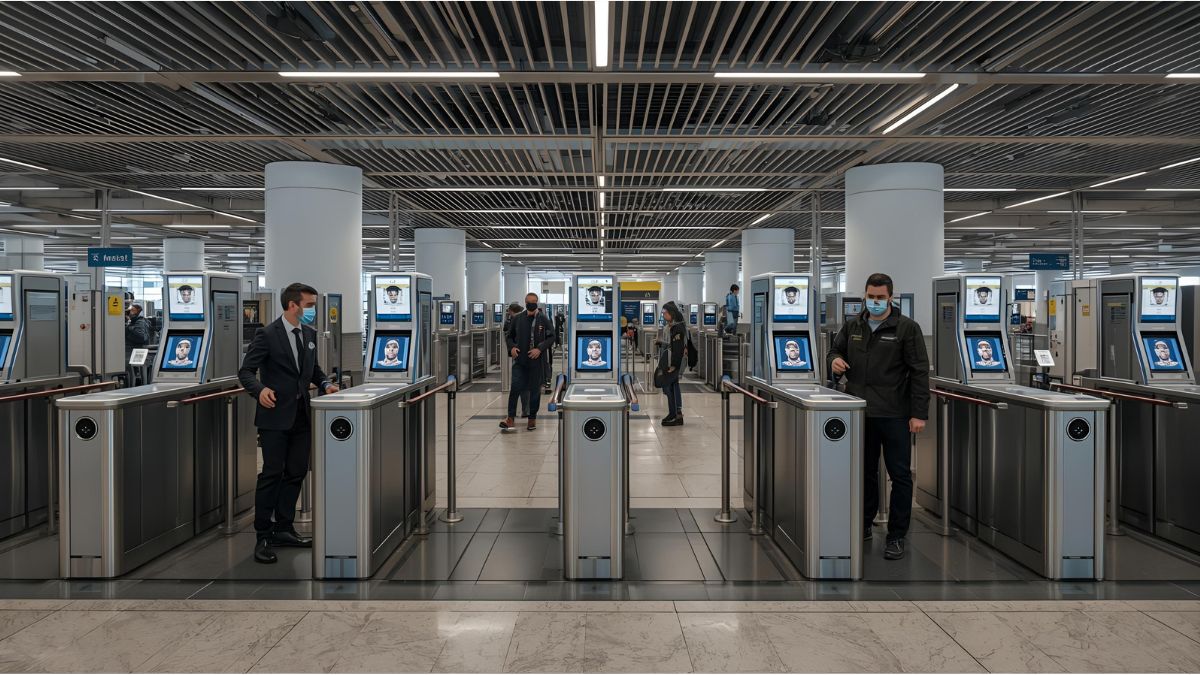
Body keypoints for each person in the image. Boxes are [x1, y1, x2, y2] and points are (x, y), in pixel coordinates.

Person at [828, 272, 929, 561]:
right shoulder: (853, 325)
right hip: (860, 412)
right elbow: (835, 350)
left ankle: (896, 535)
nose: (874, 302)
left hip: (896, 414)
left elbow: (919, 372)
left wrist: (918, 413)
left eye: (880, 298)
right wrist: (832, 360)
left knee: (899, 475)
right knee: (864, 472)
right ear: (864, 295)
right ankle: (864, 524)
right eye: (870, 297)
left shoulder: (907, 328)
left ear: (890, 298)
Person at [238, 282, 340, 565]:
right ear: (292, 305)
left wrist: (325, 383)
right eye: (309, 305)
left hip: (301, 415)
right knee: (272, 473)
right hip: (274, 417)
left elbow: (314, 369)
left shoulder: (308, 333)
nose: (312, 311)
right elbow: (246, 371)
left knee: (296, 472)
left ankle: (284, 527)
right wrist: (259, 390)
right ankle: (263, 535)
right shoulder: (267, 335)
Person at [501, 292, 554, 431]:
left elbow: (552, 337)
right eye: (529, 301)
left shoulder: (543, 319)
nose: (531, 303)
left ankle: (532, 418)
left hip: (536, 361)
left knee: (535, 390)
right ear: (525, 303)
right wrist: (511, 347)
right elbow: (509, 336)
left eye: (534, 301)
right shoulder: (517, 319)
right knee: (515, 388)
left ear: (537, 302)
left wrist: (540, 349)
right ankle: (510, 418)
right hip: (520, 360)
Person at [658, 302, 686, 426]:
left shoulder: (678, 328)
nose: (663, 315)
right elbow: (671, 345)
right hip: (670, 361)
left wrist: (674, 366)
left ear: (672, 314)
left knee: (671, 387)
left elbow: (678, 348)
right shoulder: (671, 326)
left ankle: (676, 415)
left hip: (675, 363)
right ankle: (673, 413)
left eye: (665, 313)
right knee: (670, 387)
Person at [502, 302, 530, 418]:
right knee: (523, 385)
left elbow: (507, 335)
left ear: (511, 311)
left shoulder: (516, 320)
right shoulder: (518, 320)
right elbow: (508, 336)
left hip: (522, 356)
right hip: (522, 356)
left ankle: (515, 414)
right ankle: (523, 411)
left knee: (518, 385)